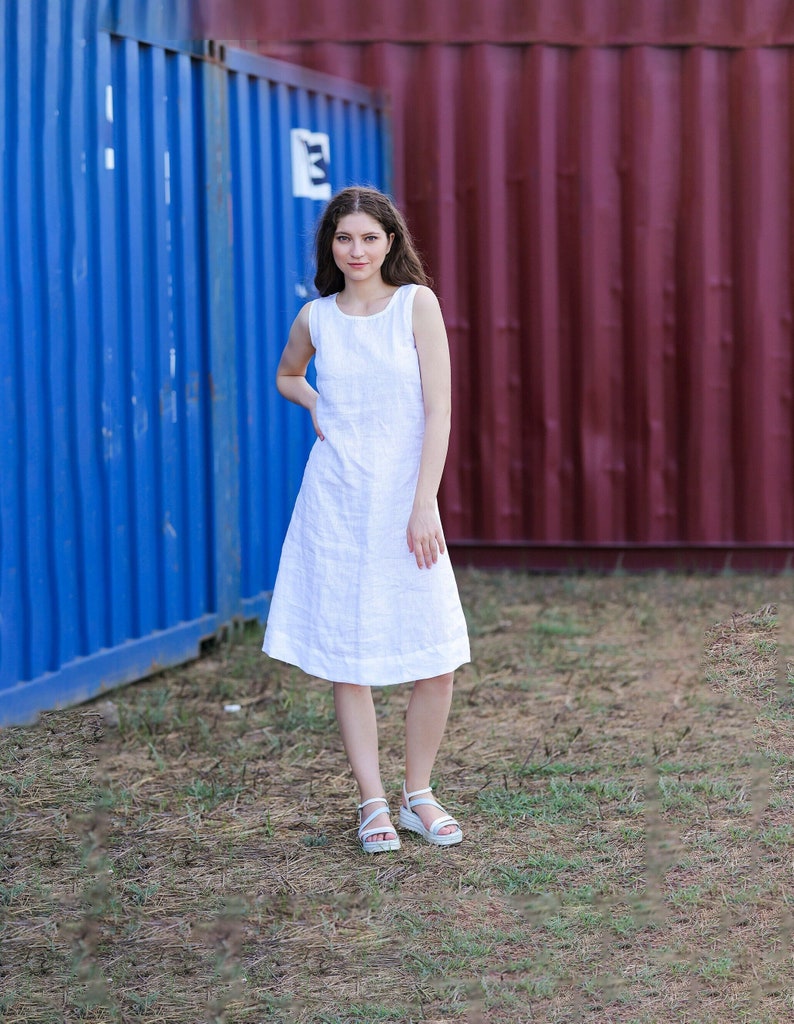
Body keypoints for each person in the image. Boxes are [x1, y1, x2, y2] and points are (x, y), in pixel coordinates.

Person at [262, 186, 470, 853]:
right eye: (344, 238)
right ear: (330, 244)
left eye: (369, 238)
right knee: (348, 662)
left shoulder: (416, 305)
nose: (356, 251)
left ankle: (419, 794)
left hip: (408, 505)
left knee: (435, 656)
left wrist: (423, 502)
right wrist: (314, 402)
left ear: (391, 242)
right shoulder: (315, 318)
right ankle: (372, 803)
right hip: (337, 503)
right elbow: (287, 375)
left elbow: (438, 410)